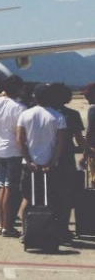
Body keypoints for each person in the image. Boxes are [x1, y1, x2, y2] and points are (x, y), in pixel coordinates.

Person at [16, 84, 69, 242]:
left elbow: (20, 140)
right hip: (49, 165)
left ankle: (25, 232)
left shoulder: (25, 115)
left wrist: (28, 160)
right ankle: (48, 231)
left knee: (27, 198)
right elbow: (61, 143)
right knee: (50, 199)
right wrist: (53, 162)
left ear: (35, 97)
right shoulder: (58, 117)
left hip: (29, 164)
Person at [0, 75, 27, 238]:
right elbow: (21, 134)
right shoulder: (20, 108)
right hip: (13, 152)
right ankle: (8, 226)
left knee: (3, 188)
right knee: (11, 189)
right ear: (19, 89)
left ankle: (2, 224)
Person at [52, 83, 86, 242]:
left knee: (49, 193)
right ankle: (63, 228)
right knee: (66, 195)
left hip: (47, 156)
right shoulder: (72, 115)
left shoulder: (46, 113)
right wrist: (87, 152)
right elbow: (79, 139)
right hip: (66, 157)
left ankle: (49, 225)